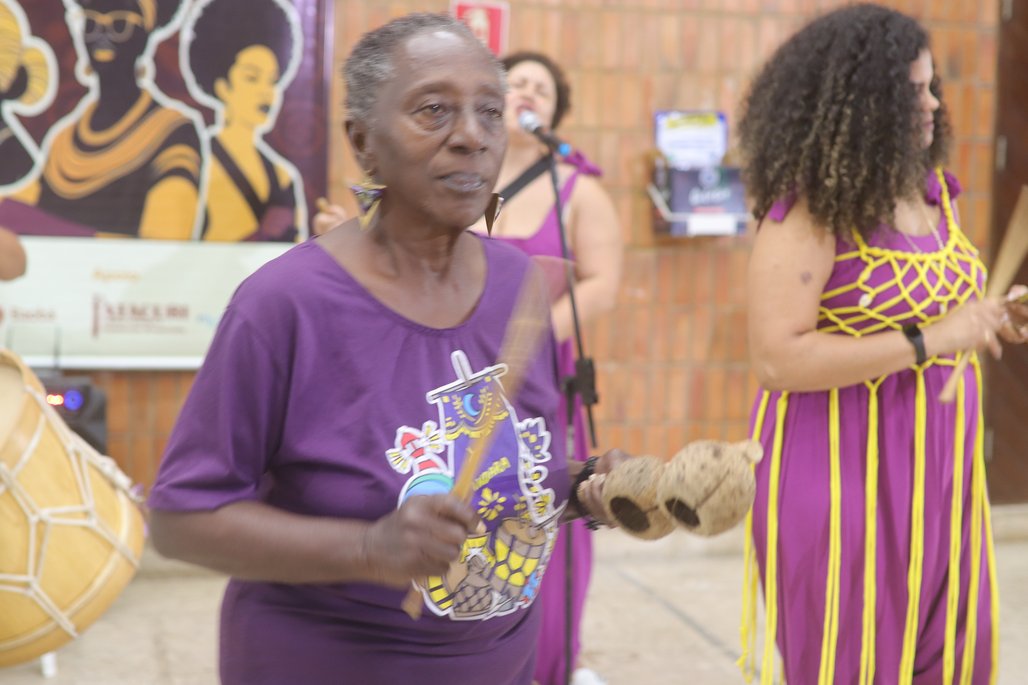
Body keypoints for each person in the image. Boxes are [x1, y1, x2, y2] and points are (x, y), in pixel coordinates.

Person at [148, 14, 624, 685]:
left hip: (501, 660)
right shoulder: (285, 303)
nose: (471, 136)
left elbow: (497, 465)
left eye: (490, 112)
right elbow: (180, 518)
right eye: (434, 110)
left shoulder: (519, 284)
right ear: (362, 141)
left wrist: (586, 484)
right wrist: (371, 547)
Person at [737, 5, 1028, 684]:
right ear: (858, 104)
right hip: (841, 472)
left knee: (951, 661)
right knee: (853, 661)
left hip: (941, 467)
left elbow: (943, 313)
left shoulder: (935, 194)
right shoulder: (807, 209)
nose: (930, 105)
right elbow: (777, 359)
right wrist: (932, 339)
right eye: (910, 93)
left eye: (932, 88)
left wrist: (987, 316)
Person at [472, 50, 622, 685]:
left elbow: (603, 284)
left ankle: (551, 662)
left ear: (555, 113)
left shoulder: (577, 189)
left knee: (546, 507)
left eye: (542, 88)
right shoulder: (460, 177)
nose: (527, 93)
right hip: (459, 375)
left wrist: (528, 341)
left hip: (540, 379)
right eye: (516, 83)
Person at [8, 0, 203, 239]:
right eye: (91, 25)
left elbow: (166, 243)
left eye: (119, 25)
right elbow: (16, 212)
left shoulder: (173, 131)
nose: (102, 36)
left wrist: (72, 239)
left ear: (145, 34)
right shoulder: (64, 140)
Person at [182, 0, 308, 242]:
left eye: (272, 81)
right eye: (252, 78)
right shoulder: (193, 160)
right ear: (222, 87)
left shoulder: (284, 176)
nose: (265, 92)